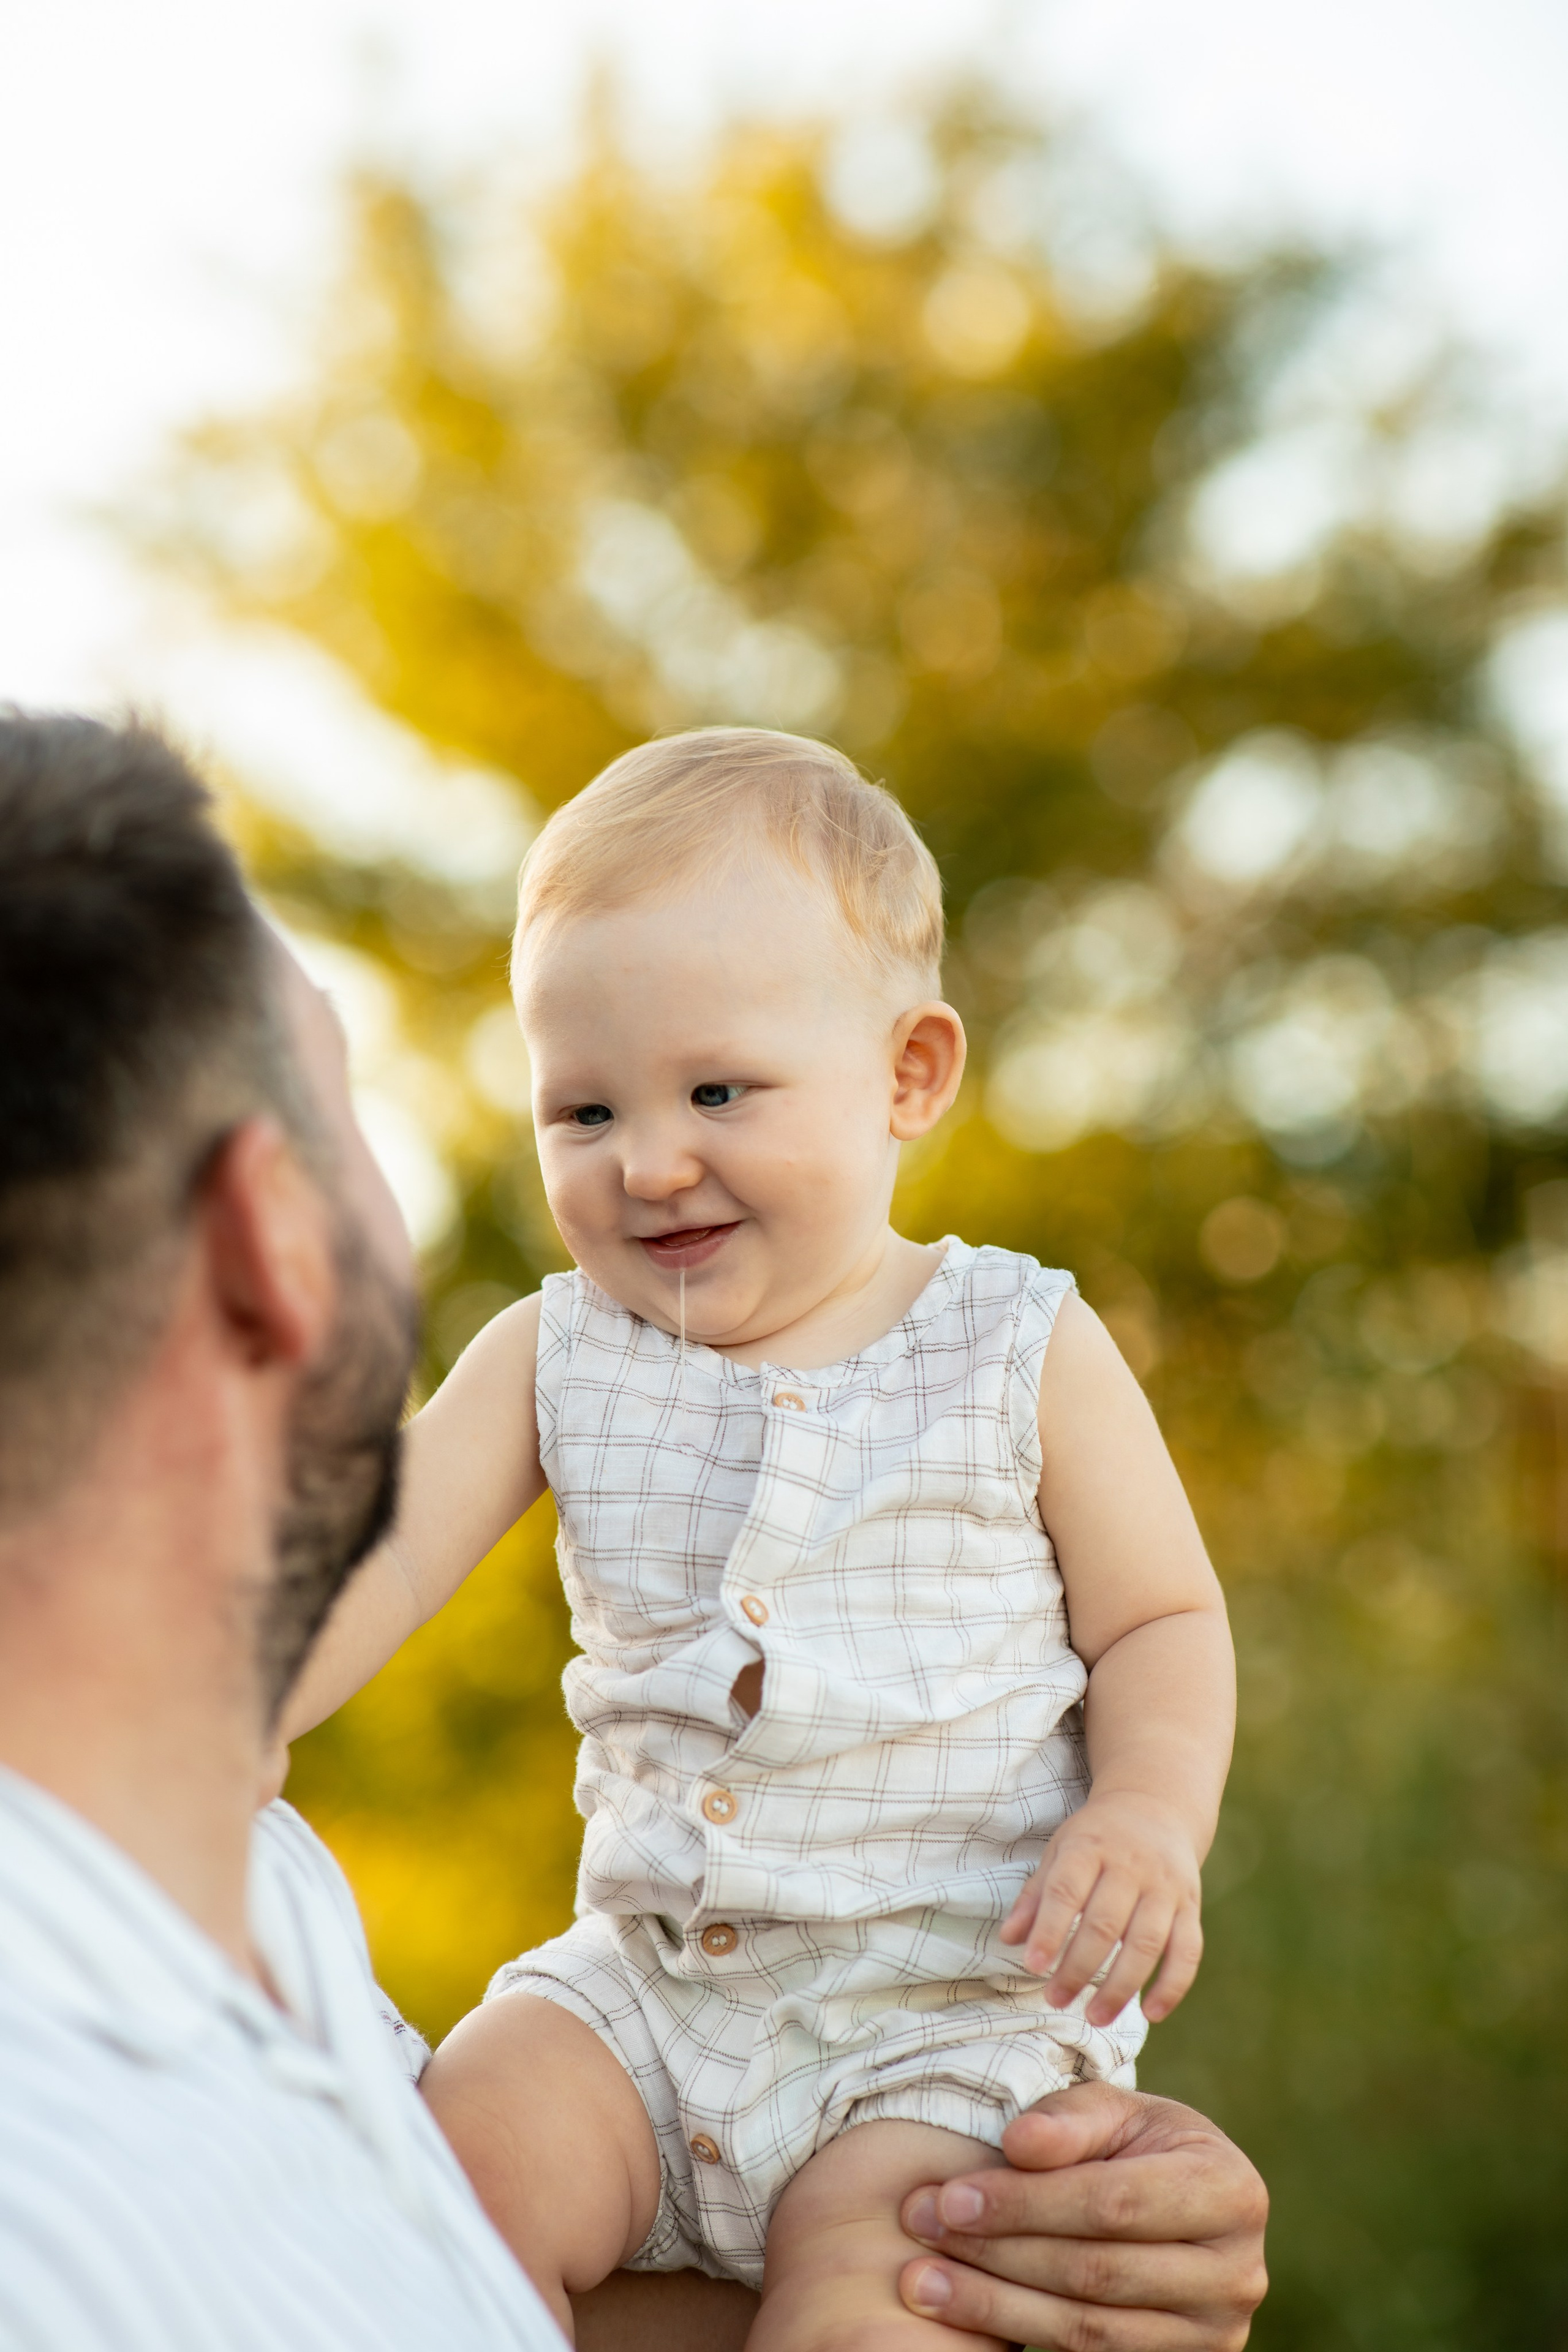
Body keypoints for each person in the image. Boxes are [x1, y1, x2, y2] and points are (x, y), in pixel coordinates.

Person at [0, 710, 1265, 2352]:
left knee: (889, 2293)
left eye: (717, 1091)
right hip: (647, 1987)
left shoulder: (1017, 1348)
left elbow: (1160, 1620)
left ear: (909, 1074)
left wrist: (1150, 1819)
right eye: (582, 1114)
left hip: (928, 2016)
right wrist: (211, 1711)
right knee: (452, 2185)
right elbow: (366, 1562)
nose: (650, 1164)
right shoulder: (556, 1349)